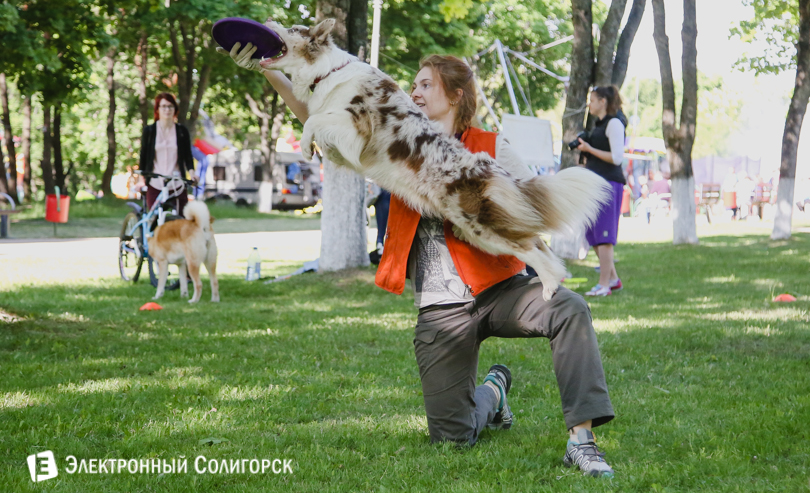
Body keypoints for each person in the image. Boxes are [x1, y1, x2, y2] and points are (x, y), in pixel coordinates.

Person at [221, 44, 616, 478]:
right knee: (452, 437)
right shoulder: (394, 137)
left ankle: (582, 442)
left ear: (456, 95)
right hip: (439, 309)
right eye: (413, 85)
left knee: (569, 308)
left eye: (426, 84)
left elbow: (530, 208)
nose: (416, 92)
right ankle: (494, 393)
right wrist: (272, 70)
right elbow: (320, 119)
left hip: (502, 292)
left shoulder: (490, 145)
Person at [576, 86, 626, 297]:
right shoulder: (598, 125)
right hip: (595, 185)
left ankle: (604, 284)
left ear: (603, 101)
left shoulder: (614, 123)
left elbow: (617, 158)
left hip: (609, 184)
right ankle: (613, 280)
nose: (590, 104)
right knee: (592, 234)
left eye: (593, 100)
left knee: (604, 237)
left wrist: (589, 149)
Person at [139, 93, 195, 215]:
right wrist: (140, 179)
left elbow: (187, 156)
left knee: (181, 222)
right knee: (155, 221)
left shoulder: (181, 131)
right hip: (155, 183)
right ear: (157, 109)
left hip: (177, 183)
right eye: (163, 106)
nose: (167, 110)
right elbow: (143, 156)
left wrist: (192, 174)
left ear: (175, 109)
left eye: (170, 106)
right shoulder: (149, 131)